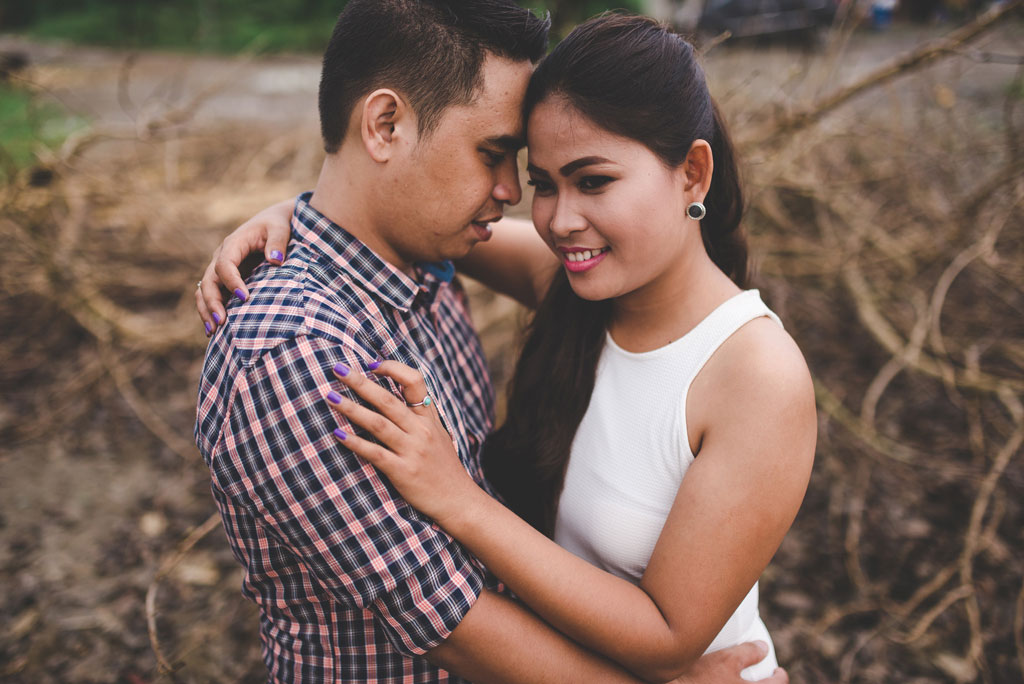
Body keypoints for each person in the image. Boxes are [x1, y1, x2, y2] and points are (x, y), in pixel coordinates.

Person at [194, 1, 784, 683]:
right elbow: (456, 623)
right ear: (386, 125)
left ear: (693, 174)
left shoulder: (428, 260)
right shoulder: (296, 353)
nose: (513, 197)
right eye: (498, 157)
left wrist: (297, 212)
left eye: (585, 180)